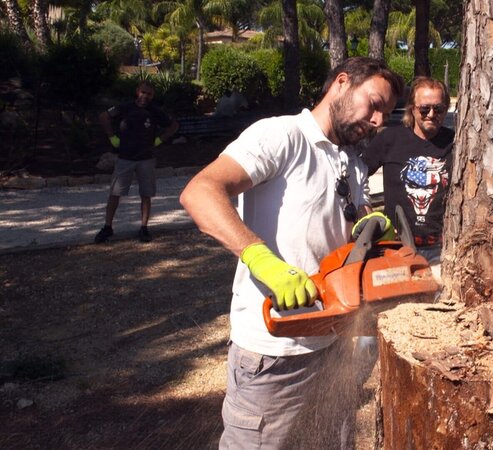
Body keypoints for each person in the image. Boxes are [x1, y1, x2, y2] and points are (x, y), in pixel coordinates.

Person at [179, 57, 404, 449]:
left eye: (385, 113)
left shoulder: (350, 159)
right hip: (275, 354)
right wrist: (263, 261)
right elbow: (200, 191)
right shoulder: (280, 135)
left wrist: (368, 224)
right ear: (342, 83)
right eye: (374, 104)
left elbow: (345, 216)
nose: (378, 121)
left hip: (333, 342)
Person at [360, 76, 455, 265]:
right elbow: (357, 176)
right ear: (412, 108)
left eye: (438, 109)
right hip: (396, 247)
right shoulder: (390, 139)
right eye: (424, 108)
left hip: (443, 248)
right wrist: (367, 213)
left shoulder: (456, 141)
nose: (431, 114)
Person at [94, 81, 179, 243]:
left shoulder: (155, 111)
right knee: (115, 193)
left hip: (146, 159)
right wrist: (112, 137)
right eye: (143, 92)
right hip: (125, 158)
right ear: (137, 92)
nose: (145, 96)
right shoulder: (124, 108)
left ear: (152, 96)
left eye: (149, 94)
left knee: (145, 194)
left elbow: (174, 125)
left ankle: (144, 227)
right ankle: (107, 227)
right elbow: (104, 116)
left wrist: (160, 140)